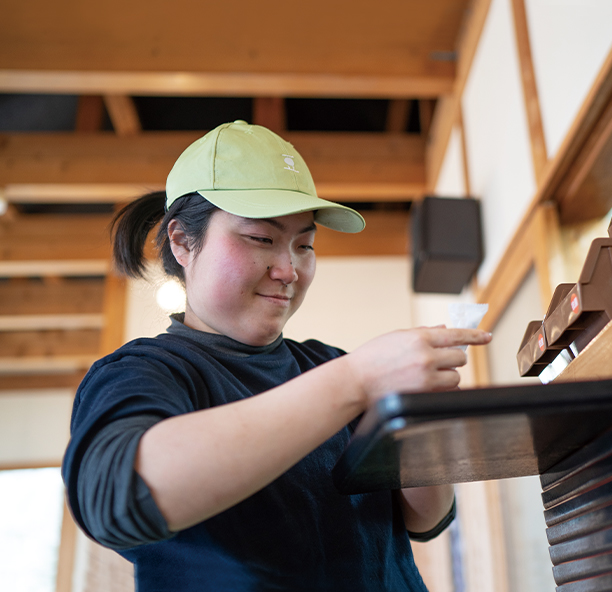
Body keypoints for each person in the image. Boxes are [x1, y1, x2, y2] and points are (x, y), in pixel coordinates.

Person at [62, 120, 491, 591]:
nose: (290, 270)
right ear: (182, 242)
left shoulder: (329, 364)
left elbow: (423, 521)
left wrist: (418, 419)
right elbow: (115, 499)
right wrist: (357, 381)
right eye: (261, 239)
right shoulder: (145, 372)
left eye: (305, 245)